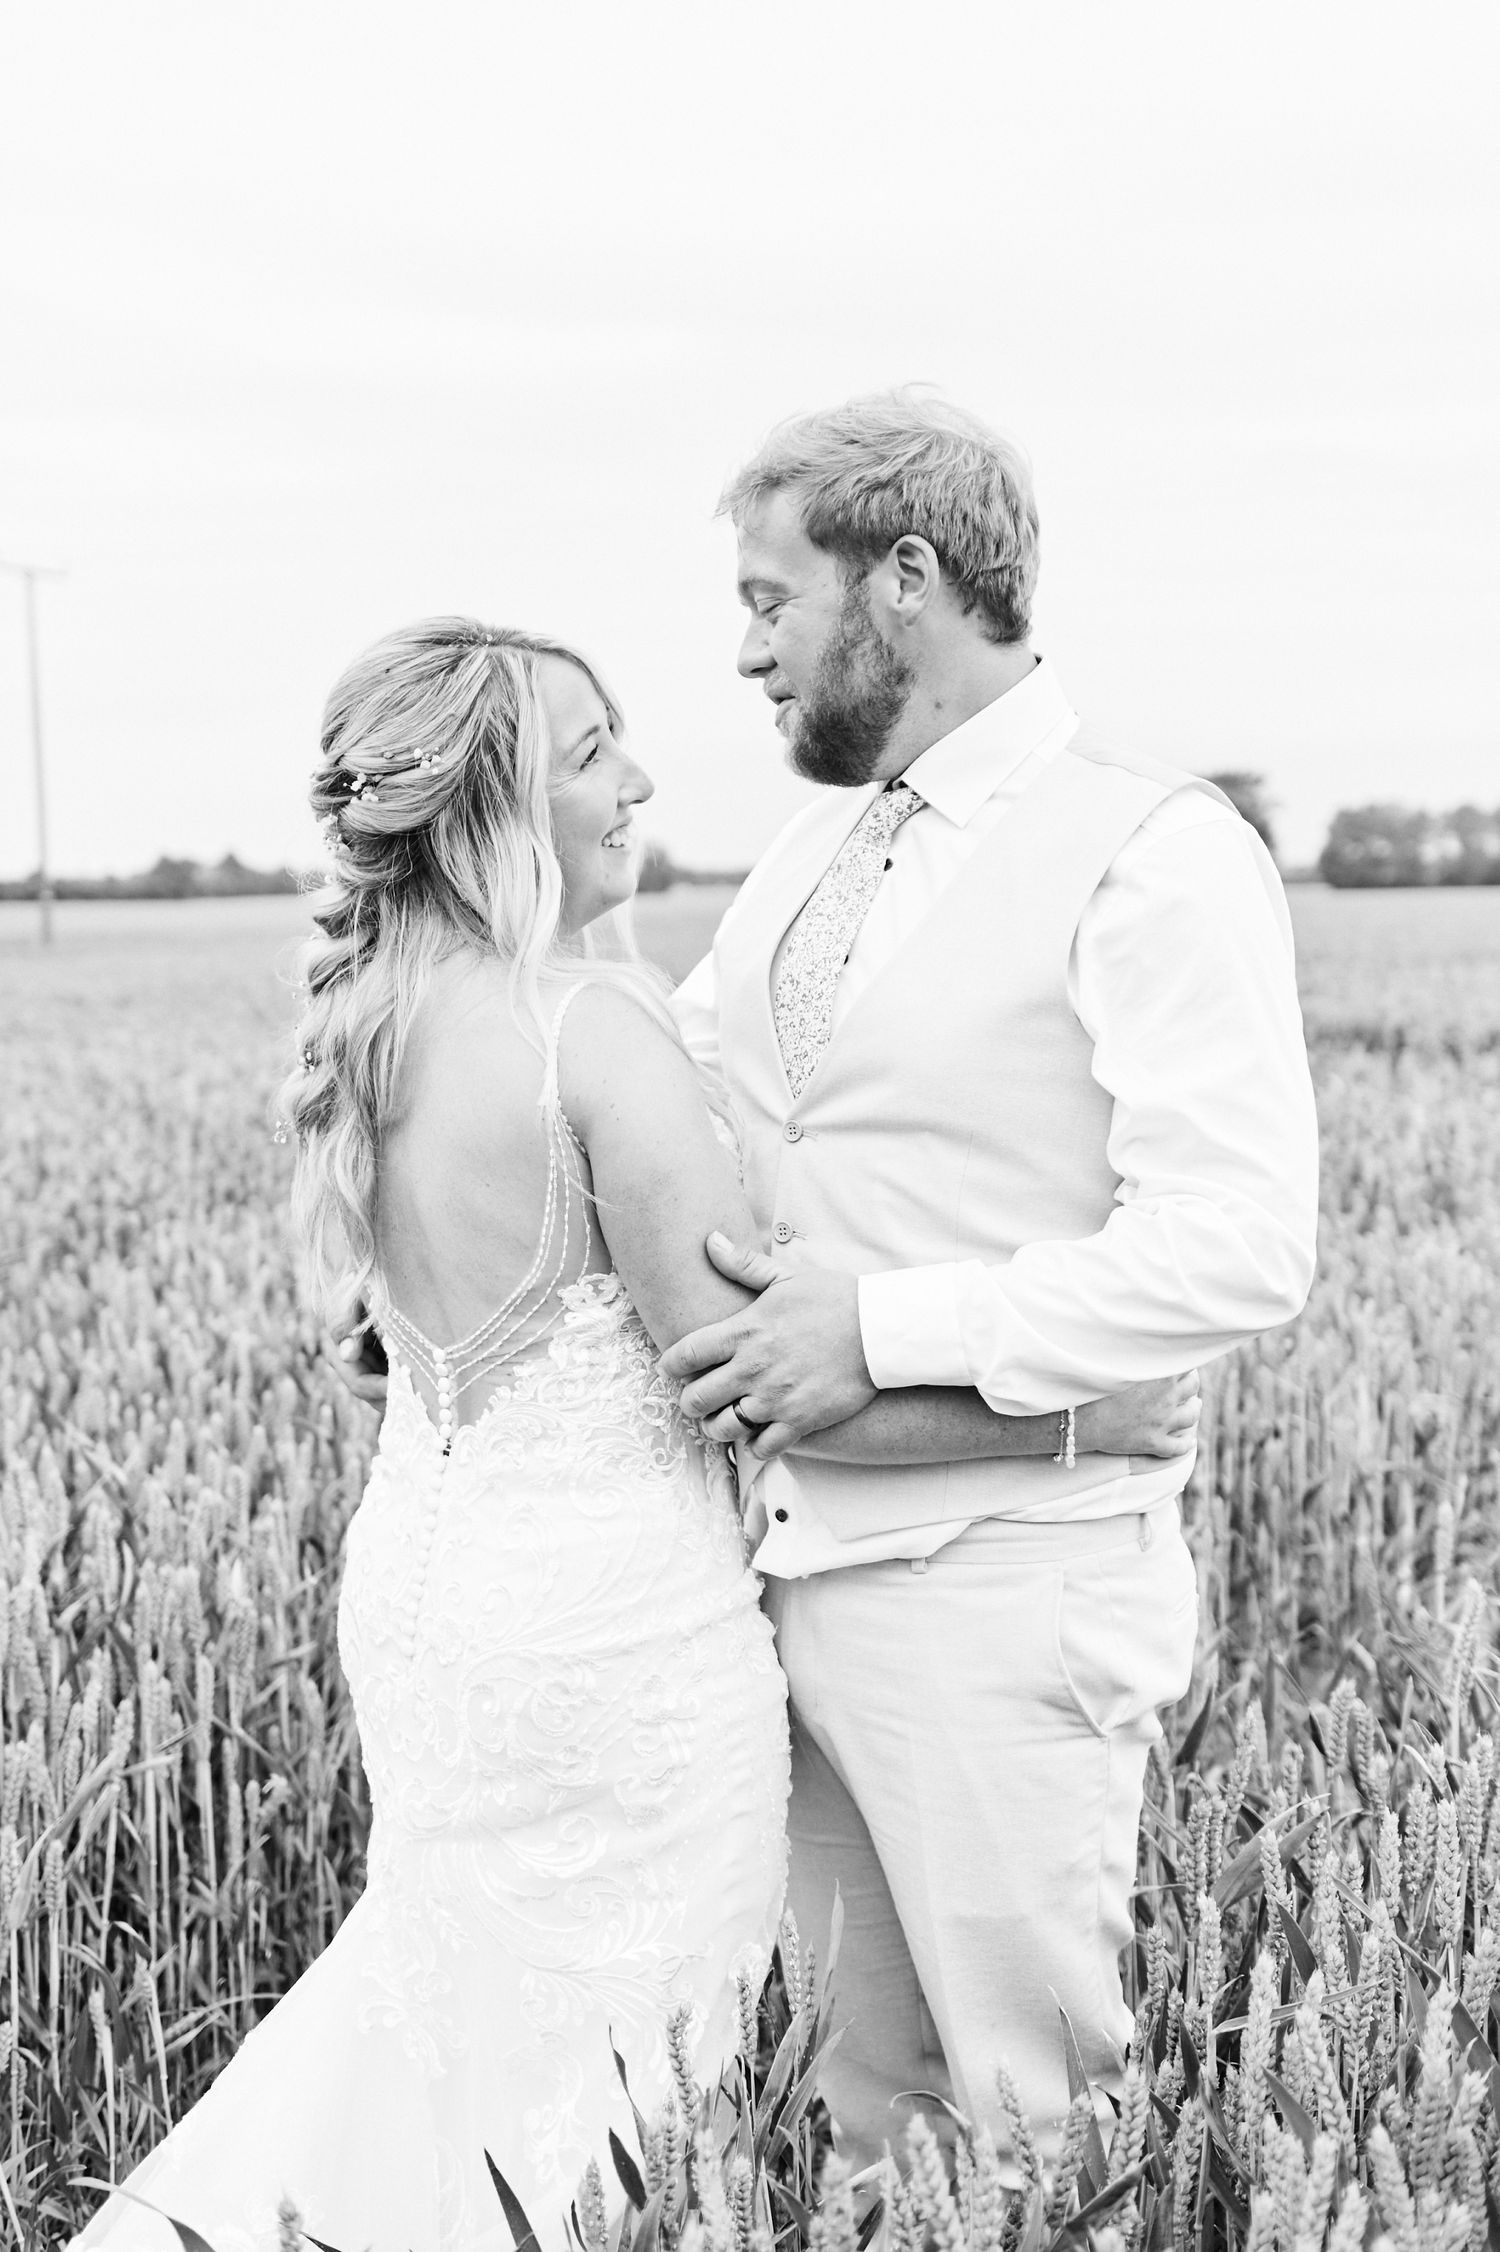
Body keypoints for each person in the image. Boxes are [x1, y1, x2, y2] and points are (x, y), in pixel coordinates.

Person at [72, 620, 1198, 2252]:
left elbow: (410, 1345)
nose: (640, 781)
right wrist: (1072, 1423)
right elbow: (747, 1382)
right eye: (595, 751)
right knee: (622, 2088)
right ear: (496, 802)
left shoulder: (372, 1029)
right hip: (612, 1647)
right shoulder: (589, 1034)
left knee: (450, 2002)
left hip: (436, 1611)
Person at [660, 390, 1320, 2162]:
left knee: (1037, 2127)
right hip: (783, 1575)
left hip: (1008, 1589)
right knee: (861, 2121)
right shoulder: (806, 852)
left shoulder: (1158, 854)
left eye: (766, 599)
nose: (746, 653)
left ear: (907, 580)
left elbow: (1240, 1247)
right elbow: (681, 1106)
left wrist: (882, 1326)